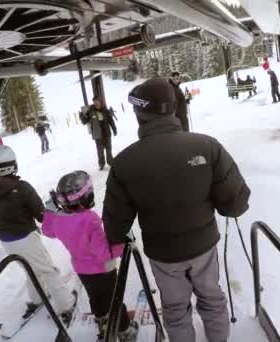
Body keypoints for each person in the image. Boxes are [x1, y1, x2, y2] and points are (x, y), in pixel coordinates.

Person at [103, 78, 251, 342]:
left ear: (140, 114)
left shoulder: (125, 162)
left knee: (175, 308)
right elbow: (235, 202)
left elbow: (115, 223)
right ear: (173, 108)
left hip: (163, 255)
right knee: (212, 297)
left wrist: (114, 237)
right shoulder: (207, 146)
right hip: (204, 247)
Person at [0, 145, 76, 323]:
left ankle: (38, 297)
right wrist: (55, 212)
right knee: (48, 270)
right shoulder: (22, 188)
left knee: (30, 269)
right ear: (12, 164)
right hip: (26, 238)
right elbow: (41, 215)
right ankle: (66, 304)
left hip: (7, 243)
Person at [42, 171, 138, 341]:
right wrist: (123, 246)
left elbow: (47, 231)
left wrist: (49, 212)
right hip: (103, 271)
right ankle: (124, 331)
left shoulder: (58, 220)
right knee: (114, 300)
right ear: (86, 197)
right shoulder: (90, 220)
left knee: (96, 298)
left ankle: (103, 322)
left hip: (82, 270)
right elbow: (104, 254)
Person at [81, 96, 117, 170]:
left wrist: (114, 129)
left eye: (97, 101)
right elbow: (85, 121)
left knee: (108, 150)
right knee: (100, 151)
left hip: (107, 134)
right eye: (94, 102)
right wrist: (82, 116)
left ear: (100, 102)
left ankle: (110, 162)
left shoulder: (105, 110)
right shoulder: (90, 111)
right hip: (98, 135)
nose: (96, 103)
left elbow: (111, 121)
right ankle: (101, 164)